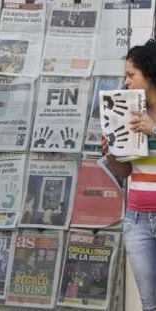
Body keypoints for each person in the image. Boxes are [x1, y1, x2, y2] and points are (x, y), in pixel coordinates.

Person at [101, 39, 156, 311]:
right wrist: (112, 151)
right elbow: (124, 172)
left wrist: (154, 131)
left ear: (150, 74)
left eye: (131, 75)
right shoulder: (130, 112)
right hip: (137, 219)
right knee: (149, 303)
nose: (126, 82)